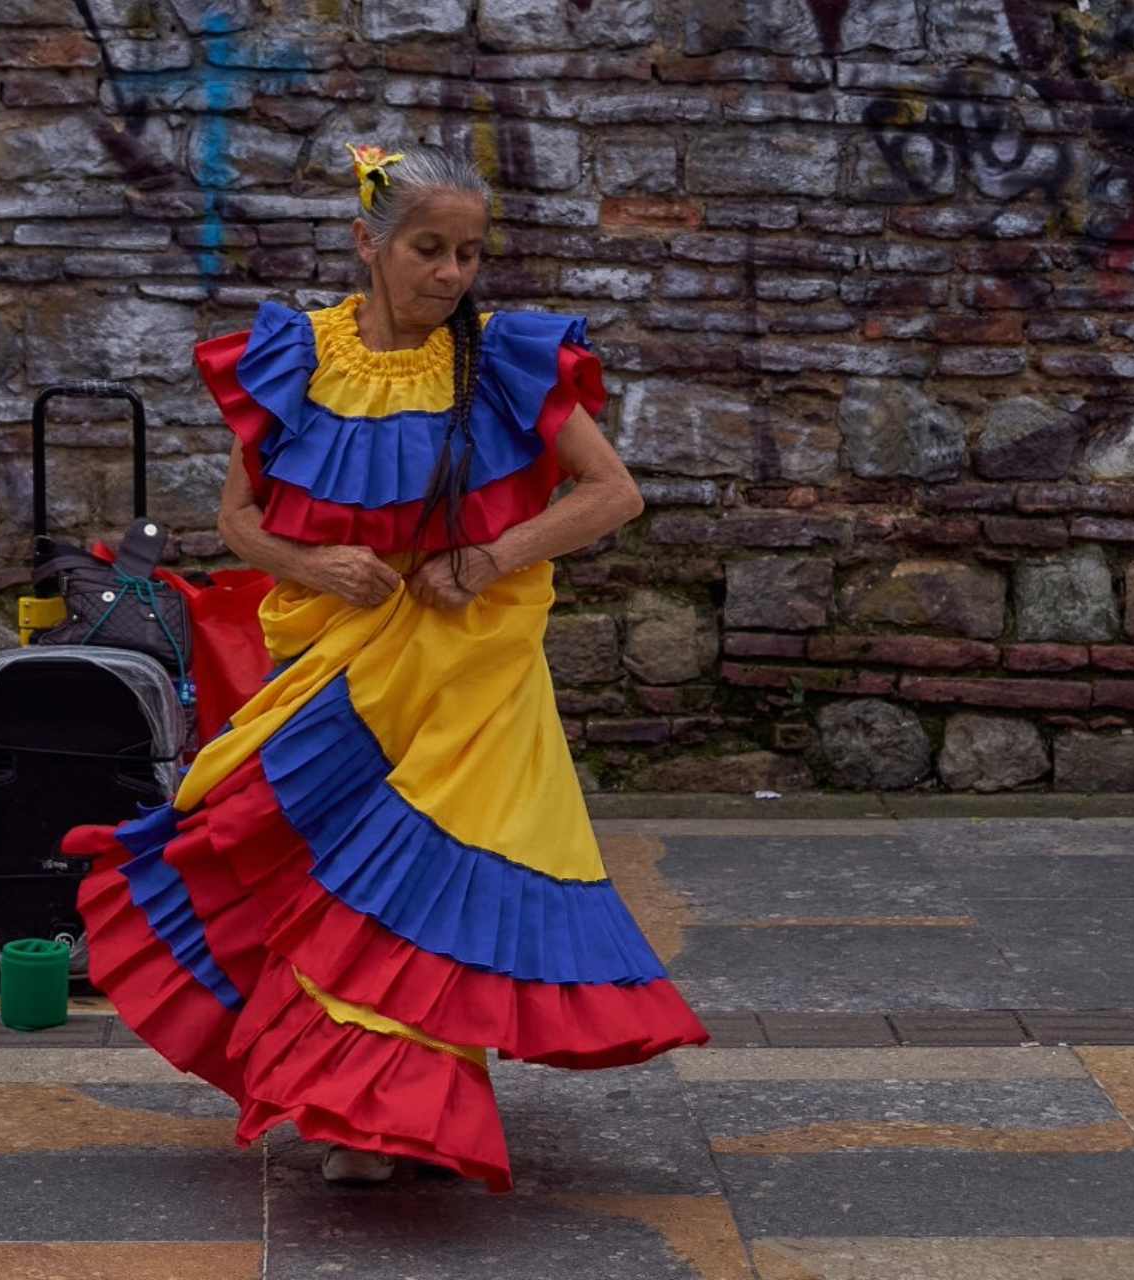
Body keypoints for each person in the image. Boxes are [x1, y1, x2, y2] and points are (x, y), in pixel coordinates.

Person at [62, 142, 708, 1192]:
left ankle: (395, 1113)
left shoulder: (503, 357)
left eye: (468, 253)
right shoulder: (295, 357)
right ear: (368, 243)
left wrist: (492, 554)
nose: (452, 274)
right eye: (428, 249)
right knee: (303, 853)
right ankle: (358, 1100)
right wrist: (310, 559)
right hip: (342, 661)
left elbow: (612, 494)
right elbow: (236, 521)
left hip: (475, 674)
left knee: (425, 877)